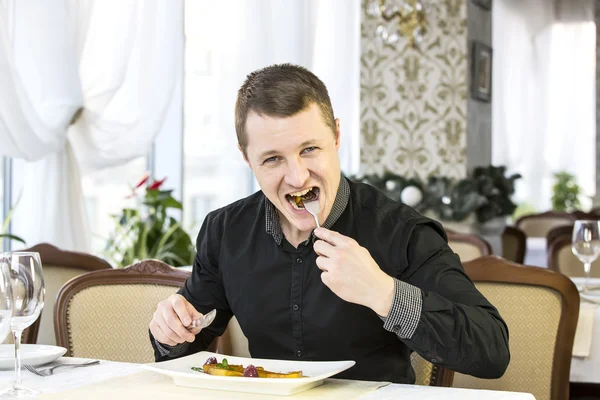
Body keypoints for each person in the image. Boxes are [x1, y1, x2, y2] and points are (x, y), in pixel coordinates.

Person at [149, 63, 510, 383]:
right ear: (246, 158)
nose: (297, 177)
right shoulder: (225, 231)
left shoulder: (403, 231)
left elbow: (491, 351)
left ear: (336, 136)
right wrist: (170, 331)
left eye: (309, 149)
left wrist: (382, 292)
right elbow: (190, 342)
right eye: (273, 159)